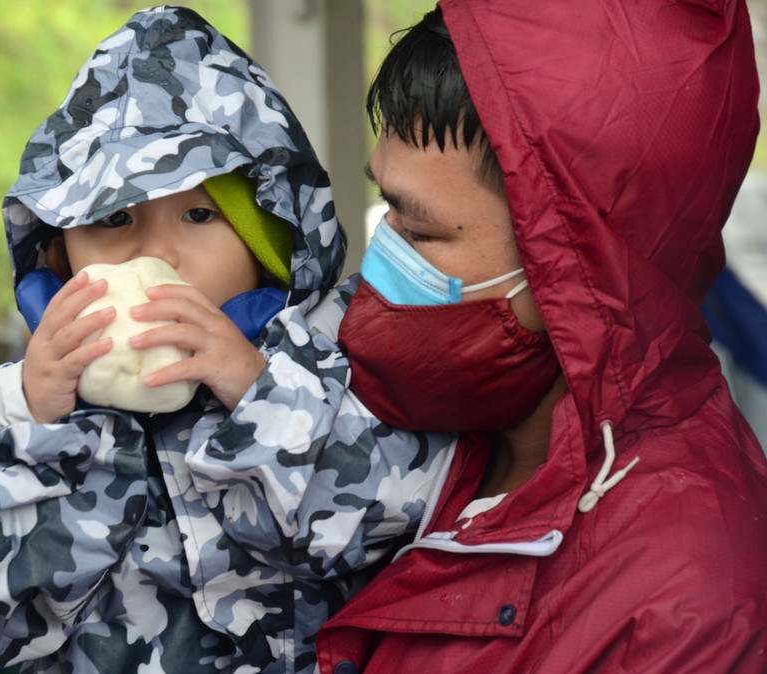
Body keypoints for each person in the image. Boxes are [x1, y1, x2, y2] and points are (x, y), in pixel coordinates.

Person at [0, 7, 455, 673]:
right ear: (60, 252)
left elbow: (394, 523)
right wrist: (34, 425)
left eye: (200, 214)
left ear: (270, 244)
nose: (157, 252)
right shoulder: (28, 406)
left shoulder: (333, 362)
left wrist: (259, 395)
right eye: (114, 218)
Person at [313, 2, 767, 671]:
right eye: (388, 211)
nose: (381, 266)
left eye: (421, 233)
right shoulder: (443, 420)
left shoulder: (684, 606)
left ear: (575, 264)